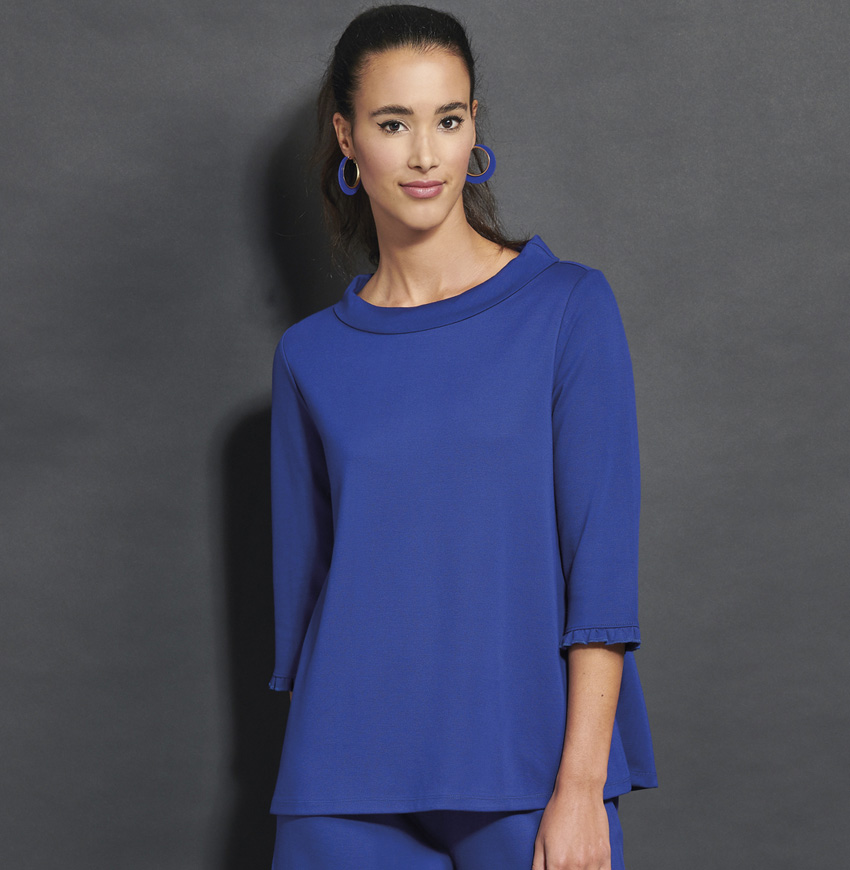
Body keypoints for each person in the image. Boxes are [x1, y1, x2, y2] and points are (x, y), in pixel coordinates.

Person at [267, 4, 657, 868]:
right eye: (392, 123)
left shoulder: (567, 309)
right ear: (346, 136)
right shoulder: (309, 357)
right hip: (342, 784)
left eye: (447, 120)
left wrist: (580, 786)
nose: (423, 155)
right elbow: (307, 597)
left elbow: (600, 575)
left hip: (528, 770)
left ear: (474, 125)